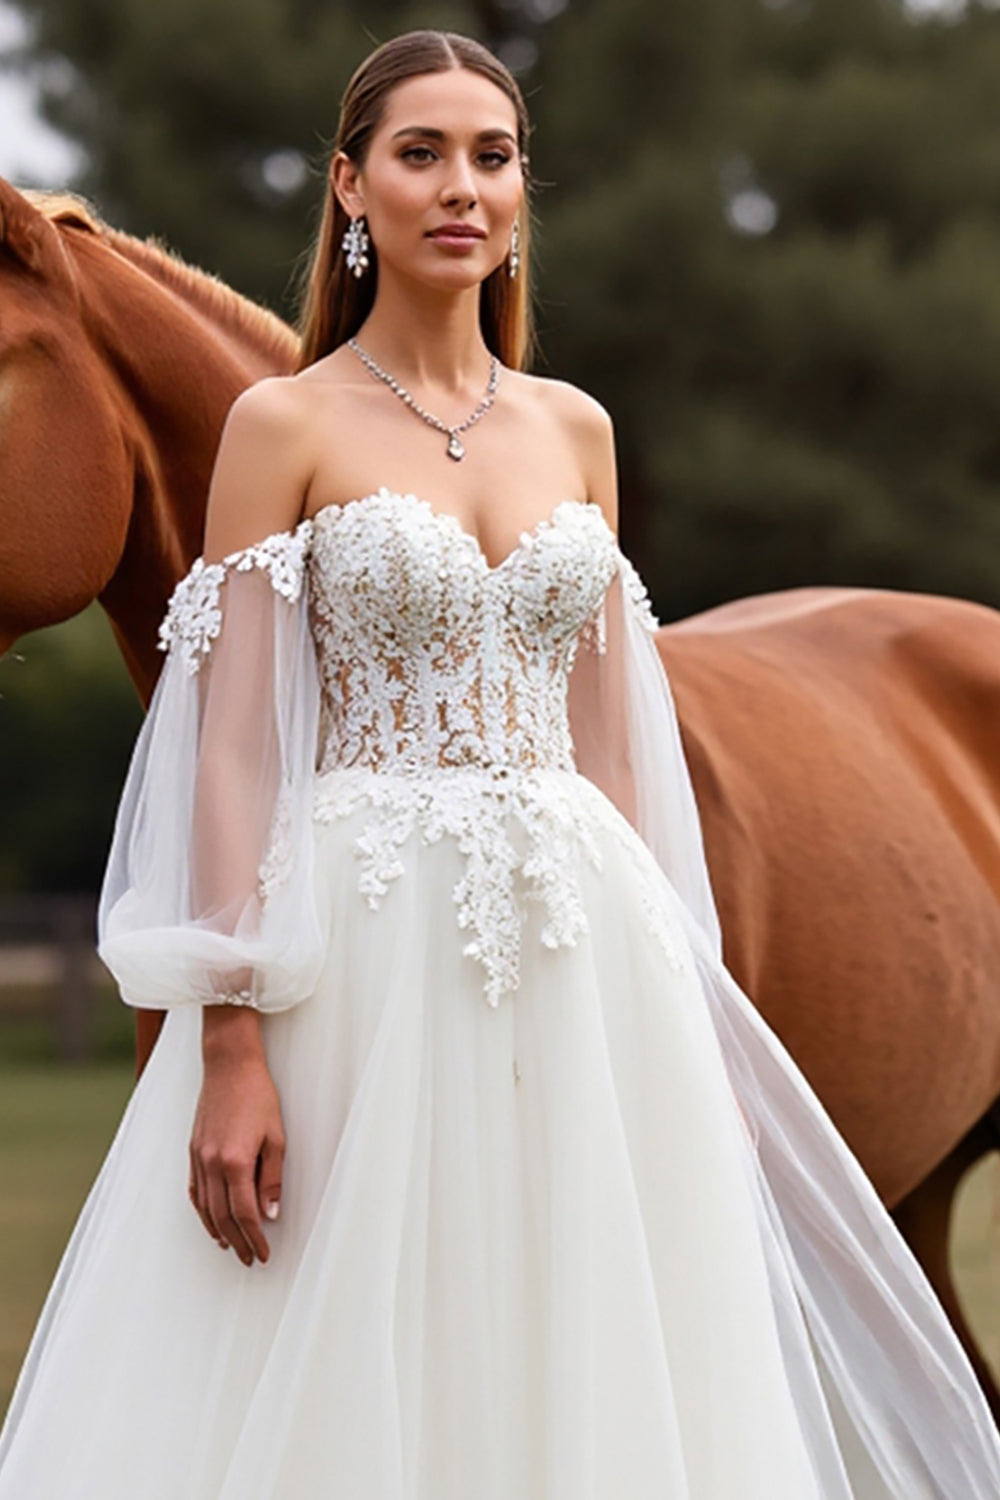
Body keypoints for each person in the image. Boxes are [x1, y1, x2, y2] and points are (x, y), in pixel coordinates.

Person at [1, 26, 999, 1499]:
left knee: (588, 1350)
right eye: (420, 154)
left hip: (582, 943)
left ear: (523, 189)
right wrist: (230, 1039)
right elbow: (233, 746)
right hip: (361, 948)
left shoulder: (574, 431)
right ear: (352, 188)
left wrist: (685, 1022)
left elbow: (611, 751)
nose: (461, 187)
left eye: (494, 156)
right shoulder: (283, 425)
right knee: (354, 1349)